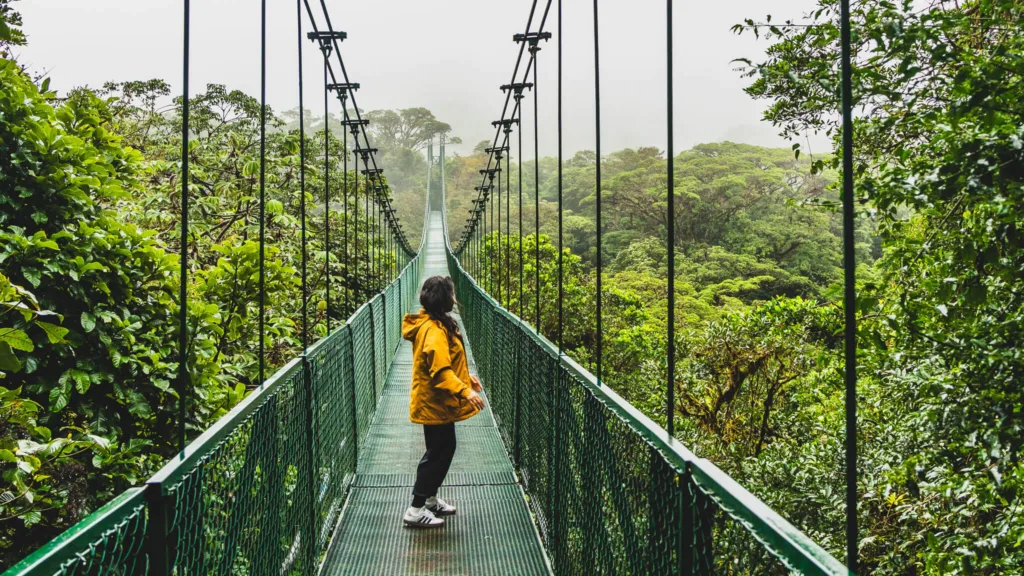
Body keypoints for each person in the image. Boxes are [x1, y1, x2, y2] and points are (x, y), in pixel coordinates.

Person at [400, 275, 486, 528]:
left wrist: (466, 378)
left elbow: (446, 361)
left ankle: (429, 501)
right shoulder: (433, 330)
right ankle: (415, 510)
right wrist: (465, 391)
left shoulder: (436, 323)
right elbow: (439, 370)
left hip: (438, 401)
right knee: (437, 454)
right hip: (435, 402)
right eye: (451, 294)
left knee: (442, 450)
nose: (454, 298)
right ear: (444, 298)